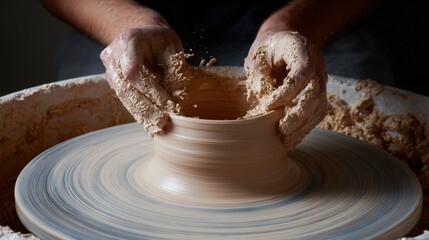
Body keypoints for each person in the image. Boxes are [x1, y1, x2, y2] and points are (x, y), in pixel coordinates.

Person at [40, 0, 382, 133]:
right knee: (95, 86)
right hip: (132, 25)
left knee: (351, 90)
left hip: (302, 24)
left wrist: (292, 26)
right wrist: (130, 23)